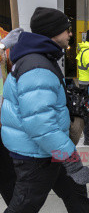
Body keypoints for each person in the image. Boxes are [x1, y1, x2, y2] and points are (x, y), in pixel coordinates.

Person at [1, 7, 89, 212]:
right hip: (36, 156)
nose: (70, 34)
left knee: (77, 192)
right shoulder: (37, 66)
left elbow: (49, 101)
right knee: (24, 207)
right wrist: (72, 161)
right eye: (67, 29)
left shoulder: (41, 59)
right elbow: (41, 125)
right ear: (53, 32)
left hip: (51, 150)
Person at [0, 28, 23, 206]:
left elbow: (9, 70)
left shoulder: (2, 33)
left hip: (4, 119)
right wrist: (2, 46)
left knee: (9, 175)